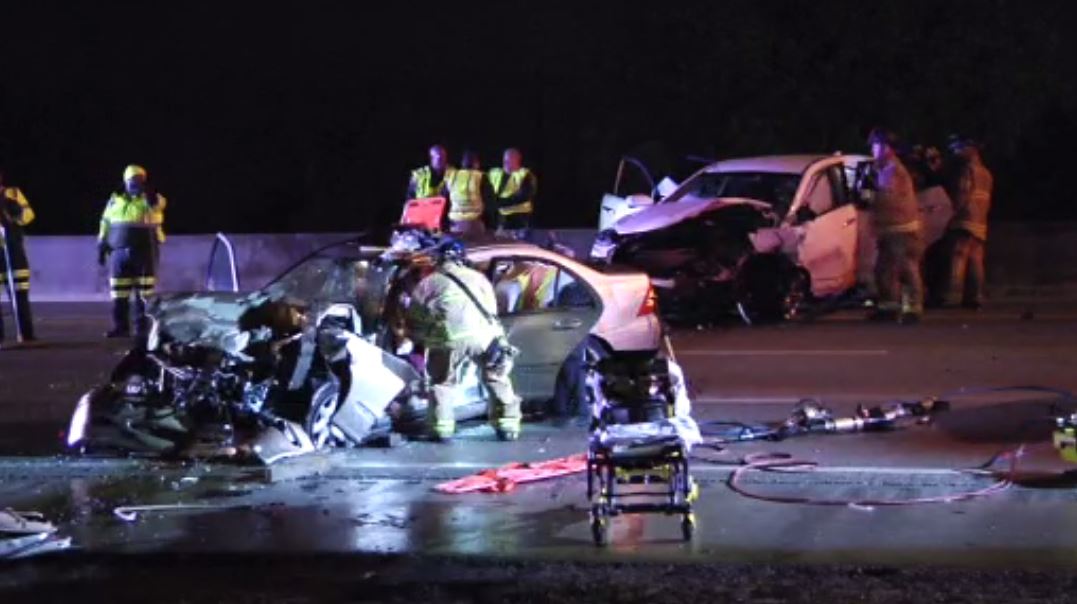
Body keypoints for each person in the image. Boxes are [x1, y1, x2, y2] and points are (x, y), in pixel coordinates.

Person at [403, 239, 522, 442]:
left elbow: (415, 316)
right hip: (483, 337)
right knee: (496, 378)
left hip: (447, 340)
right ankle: (508, 426)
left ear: (438, 259)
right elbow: (492, 309)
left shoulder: (430, 282)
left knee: (443, 383)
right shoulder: (479, 278)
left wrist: (418, 336)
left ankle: (442, 430)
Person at [97, 165, 167, 338]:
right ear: (125, 181)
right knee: (118, 293)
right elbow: (105, 222)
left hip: (145, 250)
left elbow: (159, 207)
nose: (134, 183)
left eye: (138, 179)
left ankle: (142, 329)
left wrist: (149, 197)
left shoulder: (151, 199)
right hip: (118, 252)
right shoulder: (115, 200)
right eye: (131, 180)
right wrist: (101, 244)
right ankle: (121, 327)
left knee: (144, 294)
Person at [863, 128, 924, 324]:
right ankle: (888, 308)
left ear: (887, 148)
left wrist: (868, 197)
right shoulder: (884, 169)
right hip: (891, 230)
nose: (873, 150)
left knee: (906, 269)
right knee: (884, 271)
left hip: (901, 229)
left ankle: (912, 310)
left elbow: (886, 197)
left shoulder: (892, 169)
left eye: (876, 145)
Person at [944, 138, 994, 309]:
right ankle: (976, 296)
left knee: (958, 257)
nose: (956, 153)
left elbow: (962, 195)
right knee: (976, 260)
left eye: (959, 148)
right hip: (980, 222)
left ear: (972, 149)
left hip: (964, 220)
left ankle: (953, 296)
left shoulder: (967, 171)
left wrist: (951, 215)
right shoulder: (986, 173)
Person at [0, 170, 37, 347]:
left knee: (20, 292)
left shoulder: (13, 192)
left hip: (14, 249)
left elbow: (29, 216)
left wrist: (14, 210)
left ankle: (26, 333)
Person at [488, 148, 536, 239]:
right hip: (501, 219)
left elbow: (525, 196)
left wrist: (499, 203)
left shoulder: (525, 174)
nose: (506, 162)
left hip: (519, 218)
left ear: (517, 160)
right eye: (505, 159)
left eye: (510, 159)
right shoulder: (494, 173)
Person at [444, 150, 489, 237]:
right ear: (476, 163)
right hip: (474, 223)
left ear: (462, 163)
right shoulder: (480, 176)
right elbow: (489, 201)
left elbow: (444, 200)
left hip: (454, 224)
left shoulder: (452, 176)